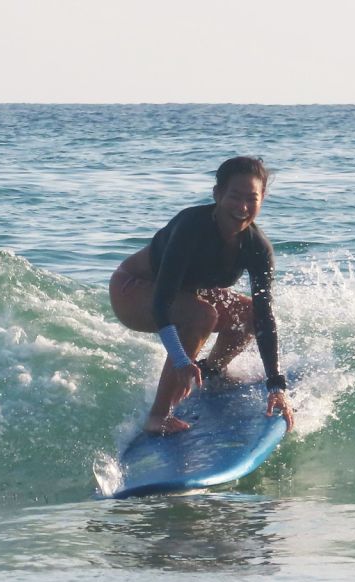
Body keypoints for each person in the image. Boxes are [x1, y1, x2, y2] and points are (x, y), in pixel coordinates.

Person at [109, 156, 295, 435]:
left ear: (263, 198)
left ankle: (210, 373)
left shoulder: (258, 247)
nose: (243, 207)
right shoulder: (190, 227)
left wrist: (276, 386)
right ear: (217, 194)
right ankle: (158, 416)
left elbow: (264, 318)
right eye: (235, 196)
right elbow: (162, 303)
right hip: (133, 289)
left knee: (248, 315)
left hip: (184, 292)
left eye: (252, 199)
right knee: (202, 316)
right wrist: (181, 360)